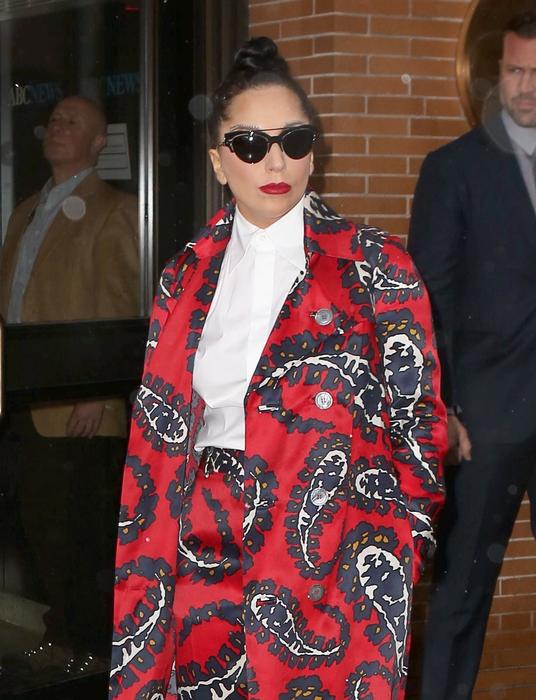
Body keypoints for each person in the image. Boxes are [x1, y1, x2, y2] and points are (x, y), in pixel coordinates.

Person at [110, 37, 446, 700]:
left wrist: (401, 543)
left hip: (332, 551)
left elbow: (419, 424)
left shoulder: (377, 267)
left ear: (313, 153)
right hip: (201, 542)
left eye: (293, 141)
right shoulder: (184, 276)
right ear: (217, 160)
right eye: (249, 144)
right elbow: (156, 430)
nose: (275, 162)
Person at [408, 12, 536, 699]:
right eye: (515, 71)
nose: (526, 86)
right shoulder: (453, 168)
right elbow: (427, 303)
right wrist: (444, 407)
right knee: (460, 595)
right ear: (497, 74)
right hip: (484, 421)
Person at [0, 96, 139, 673]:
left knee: (82, 535)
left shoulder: (116, 211)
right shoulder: (25, 211)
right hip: (24, 398)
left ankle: (90, 651)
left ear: (98, 143)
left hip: (80, 406)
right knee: (41, 527)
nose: (56, 127)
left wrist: (99, 392)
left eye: (72, 122)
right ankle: (63, 639)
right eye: (54, 119)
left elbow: (121, 306)